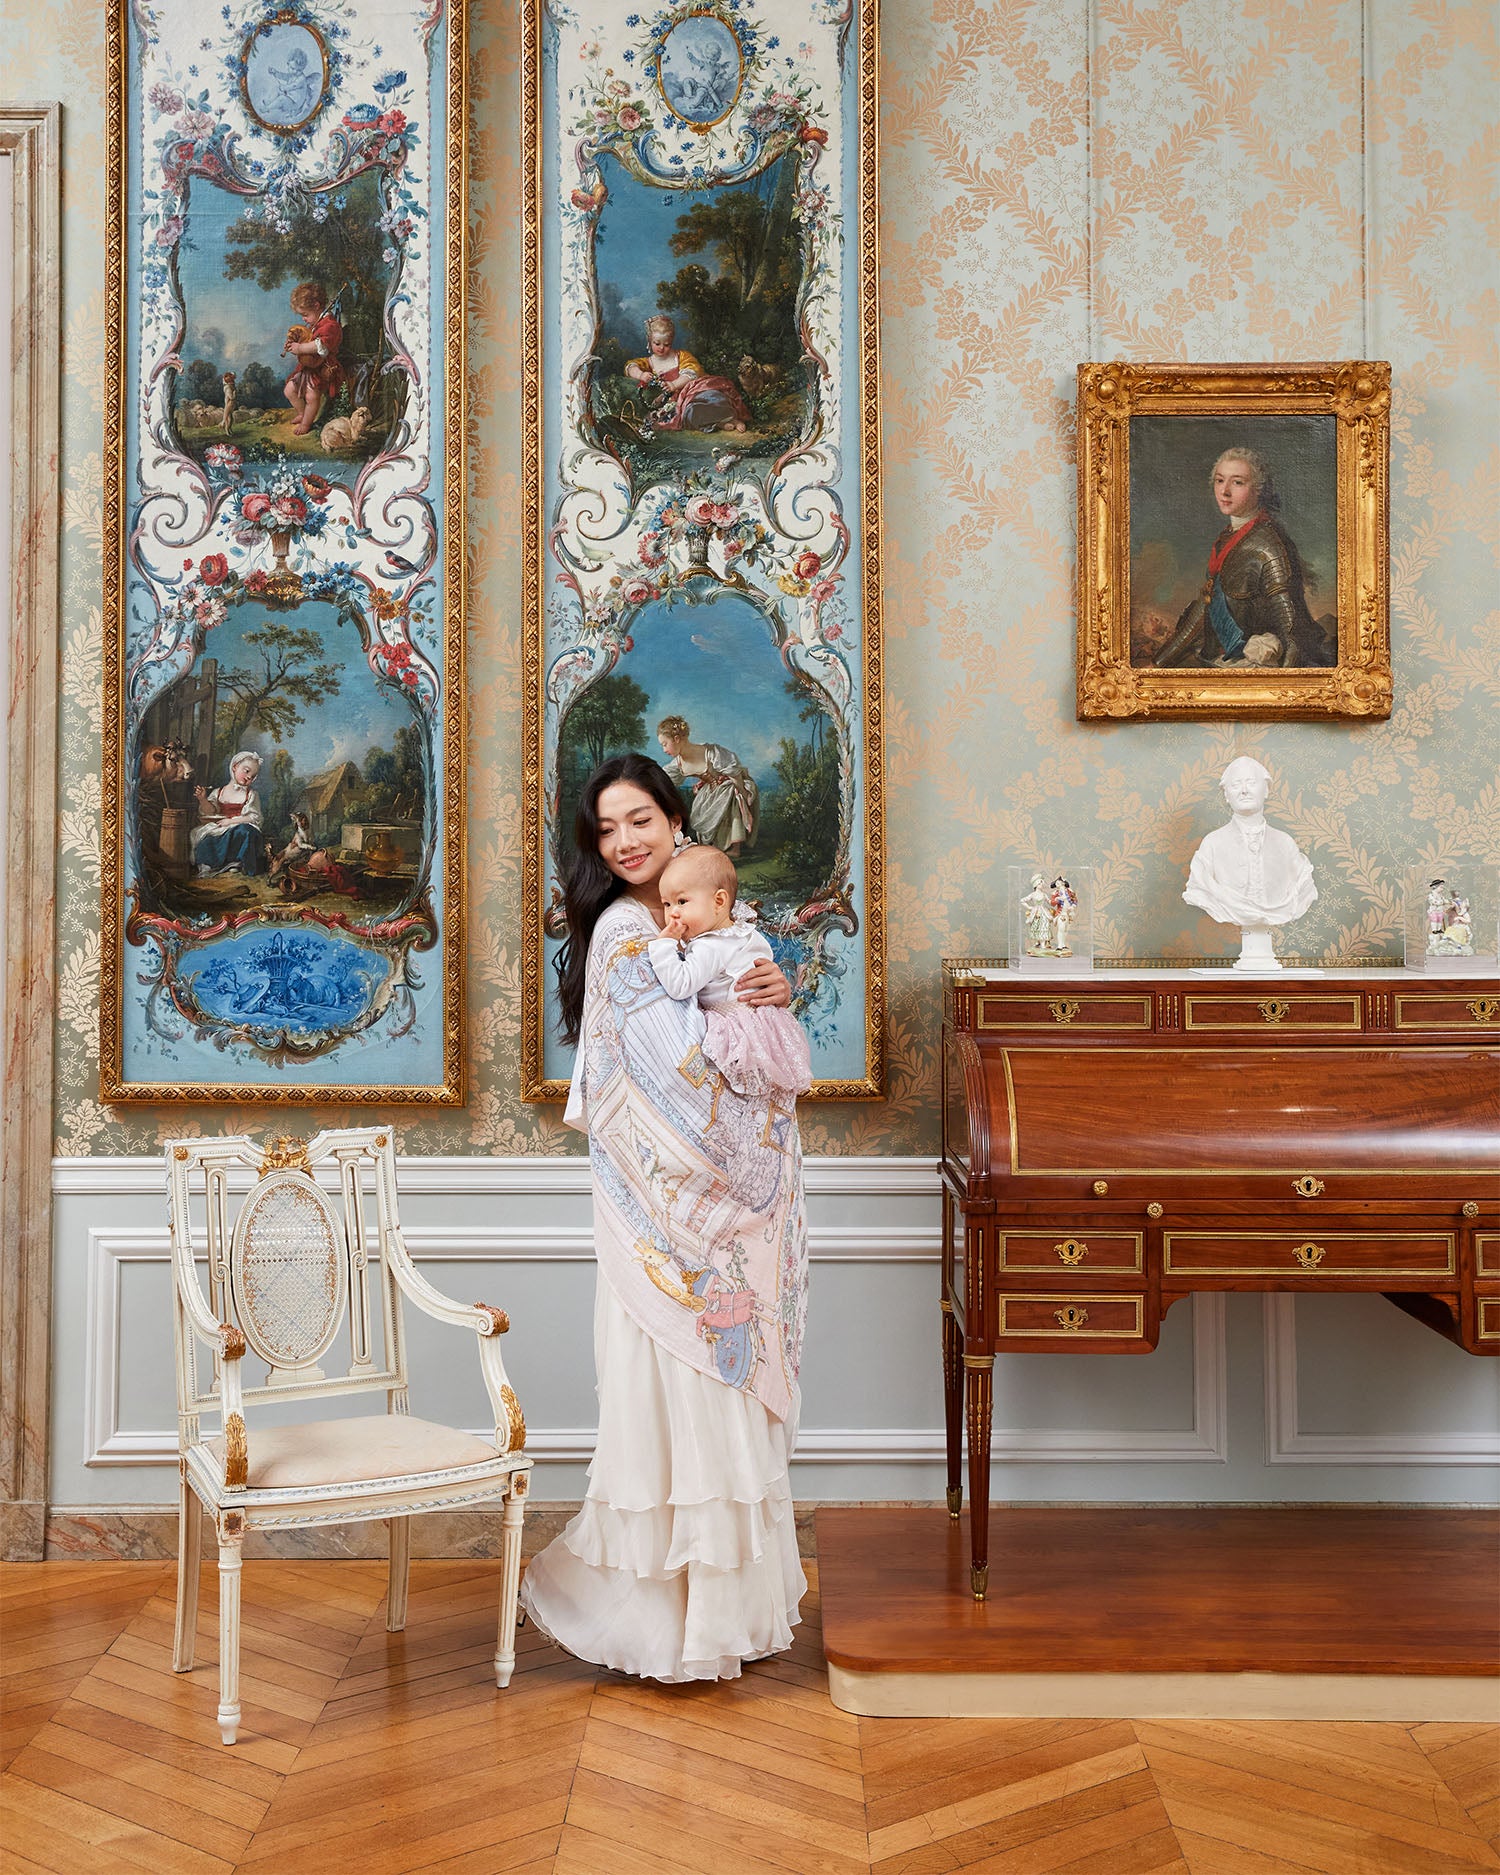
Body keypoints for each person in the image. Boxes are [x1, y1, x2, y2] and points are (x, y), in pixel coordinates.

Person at [519, 752, 807, 1682]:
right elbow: (665, 1072)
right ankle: (660, 1625)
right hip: (664, 1208)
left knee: (718, 1402)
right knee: (673, 1403)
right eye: (606, 829)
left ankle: (720, 1618)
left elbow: (743, 1014)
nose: (624, 842)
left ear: (678, 820)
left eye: (638, 819)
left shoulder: (706, 917)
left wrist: (774, 990)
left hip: (727, 1212)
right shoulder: (621, 930)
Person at [649, 842, 811, 1100]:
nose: (672, 914)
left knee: (731, 1095)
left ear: (719, 901)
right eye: (666, 904)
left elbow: (679, 986)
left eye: (682, 901)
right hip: (762, 1023)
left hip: (734, 1027)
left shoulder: (710, 946)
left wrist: (663, 946)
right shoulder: (742, 932)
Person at [1154, 448, 1335, 669]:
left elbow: (1293, 633)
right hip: (1221, 657)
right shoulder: (1226, 539)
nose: (1225, 491)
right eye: (1220, 480)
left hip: (1258, 664)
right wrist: (1158, 663)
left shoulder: (1268, 545)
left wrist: (1285, 683)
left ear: (1258, 490)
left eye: (1237, 482)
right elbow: (1205, 608)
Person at [1183, 755, 1317, 948]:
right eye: (1236, 785)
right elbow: (1200, 885)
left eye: (1251, 783)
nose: (1244, 790)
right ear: (1226, 795)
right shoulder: (1212, 844)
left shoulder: (1285, 844)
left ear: (1266, 789)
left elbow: (1302, 886)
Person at [624, 314, 749, 434]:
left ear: (671, 341)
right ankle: (718, 424)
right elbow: (631, 367)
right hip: (678, 401)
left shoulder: (681, 356)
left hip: (693, 390)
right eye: (657, 343)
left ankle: (733, 419)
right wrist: (641, 375)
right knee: (691, 411)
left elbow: (691, 372)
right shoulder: (649, 362)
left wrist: (674, 385)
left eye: (666, 344)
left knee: (712, 398)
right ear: (649, 340)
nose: (661, 348)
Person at [656, 714, 759, 856]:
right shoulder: (678, 763)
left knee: (730, 794)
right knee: (699, 816)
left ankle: (735, 848)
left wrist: (744, 795)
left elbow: (734, 773)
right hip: (709, 790)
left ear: (677, 739)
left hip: (729, 785)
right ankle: (715, 846)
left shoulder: (710, 752)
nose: (664, 750)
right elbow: (662, 777)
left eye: (664, 744)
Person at [283, 281, 345, 436]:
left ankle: (306, 424)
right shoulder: (314, 324)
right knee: (289, 390)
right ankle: (302, 413)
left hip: (322, 368)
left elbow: (321, 345)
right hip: (307, 367)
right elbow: (306, 340)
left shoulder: (330, 325)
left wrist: (300, 348)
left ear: (317, 306)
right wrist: (293, 344)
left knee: (311, 396)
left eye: (305, 314)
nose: (304, 319)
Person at [190, 750, 267, 876]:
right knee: (206, 838)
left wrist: (231, 821)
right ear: (235, 767)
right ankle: (213, 865)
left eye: (253, 776)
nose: (249, 777)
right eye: (247, 771)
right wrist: (203, 799)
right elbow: (211, 811)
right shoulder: (219, 792)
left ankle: (237, 862)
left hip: (238, 826)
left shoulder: (251, 794)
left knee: (245, 832)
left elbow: (254, 817)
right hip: (220, 827)